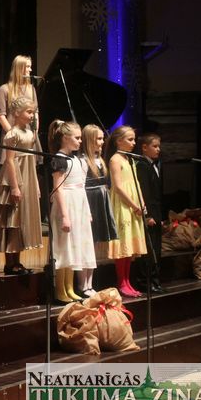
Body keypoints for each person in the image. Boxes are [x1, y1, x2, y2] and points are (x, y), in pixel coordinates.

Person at [48, 120, 97, 302]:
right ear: (65, 138)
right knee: (63, 247)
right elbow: (58, 188)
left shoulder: (75, 159)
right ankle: (60, 289)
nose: (80, 141)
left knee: (73, 247)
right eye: (77, 138)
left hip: (78, 204)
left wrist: (87, 210)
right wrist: (65, 216)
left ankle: (69, 287)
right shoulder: (59, 159)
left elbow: (81, 187)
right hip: (66, 205)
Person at [0, 97, 42, 275]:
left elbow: (31, 161)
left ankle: (18, 260)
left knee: (22, 218)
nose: (32, 115)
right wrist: (14, 186)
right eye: (29, 112)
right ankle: (10, 262)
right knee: (13, 218)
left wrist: (35, 184)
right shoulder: (12, 134)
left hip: (28, 176)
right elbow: (9, 161)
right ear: (16, 113)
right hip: (15, 177)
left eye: (33, 112)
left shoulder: (30, 133)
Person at [104, 125, 148, 298]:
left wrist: (141, 203)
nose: (133, 143)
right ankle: (121, 282)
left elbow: (136, 183)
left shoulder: (129, 159)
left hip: (134, 203)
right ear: (118, 141)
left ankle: (128, 281)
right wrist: (133, 205)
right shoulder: (115, 159)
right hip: (123, 204)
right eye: (130, 139)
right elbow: (118, 186)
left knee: (129, 245)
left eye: (134, 139)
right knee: (123, 244)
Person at [80, 124, 119, 290]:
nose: (102, 142)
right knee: (87, 243)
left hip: (101, 199)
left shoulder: (100, 160)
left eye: (102, 138)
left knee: (94, 245)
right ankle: (83, 284)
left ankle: (89, 284)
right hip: (90, 201)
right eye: (99, 139)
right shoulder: (83, 161)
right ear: (89, 140)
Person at [0, 55, 41, 163]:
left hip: (29, 134)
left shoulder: (31, 89)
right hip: (12, 134)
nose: (30, 69)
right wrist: (13, 134)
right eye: (28, 66)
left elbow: (35, 112)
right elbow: (1, 116)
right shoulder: (5, 89)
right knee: (11, 164)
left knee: (28, 165)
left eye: (30, 66)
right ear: (19, 68)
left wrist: (35, 132)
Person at [135, 132, 164, 293]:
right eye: (155, 146)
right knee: (149, 250)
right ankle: (145, 282)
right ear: (144, 148)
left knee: (157, 249)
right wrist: (148, 215)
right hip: (149, 214)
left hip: (156, 213)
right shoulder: (142, 165)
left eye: (159, 146)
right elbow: (144, 193)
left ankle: (155, 280)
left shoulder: (155, 165)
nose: (158, 149)